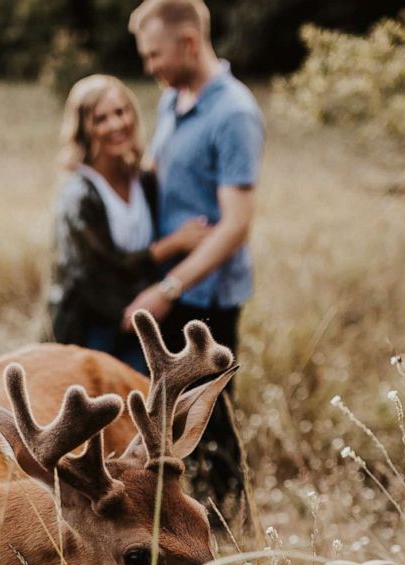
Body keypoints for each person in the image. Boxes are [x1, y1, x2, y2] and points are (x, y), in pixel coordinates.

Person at [125, 0, 265, 511]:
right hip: (168, 282)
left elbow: (235, 226)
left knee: (210, 420)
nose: (149, 66)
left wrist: (168, 288)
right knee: (165, 420)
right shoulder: (172, 100)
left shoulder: (234, 114)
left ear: (188, 43)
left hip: (204, 296)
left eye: (155, 54)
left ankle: (228, 522)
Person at [49, 74, 210, 373]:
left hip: (143, 320)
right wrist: (172, 244)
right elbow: (102, 267)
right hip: (93, 329)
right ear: (84, 127)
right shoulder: (80, 194)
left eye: (121, 112)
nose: (115, 125)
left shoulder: (143, 180)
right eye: (100, 119)